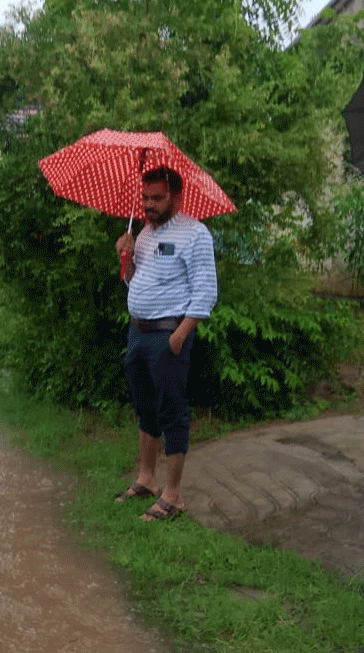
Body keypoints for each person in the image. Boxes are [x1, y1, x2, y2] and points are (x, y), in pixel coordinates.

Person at [112, 166, 217, 522]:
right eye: (144, 198)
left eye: (156, 198)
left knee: (172, 410)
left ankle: (173, 496)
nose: (148, 205)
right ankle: (146, 479)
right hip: (138, 333)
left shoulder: (195, 234)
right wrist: (123, 259)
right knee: (145, 406)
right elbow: (134, 283)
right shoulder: (142, 235)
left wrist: (178, 337)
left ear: (175, 196)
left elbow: (205, 293)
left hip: (168, 336)